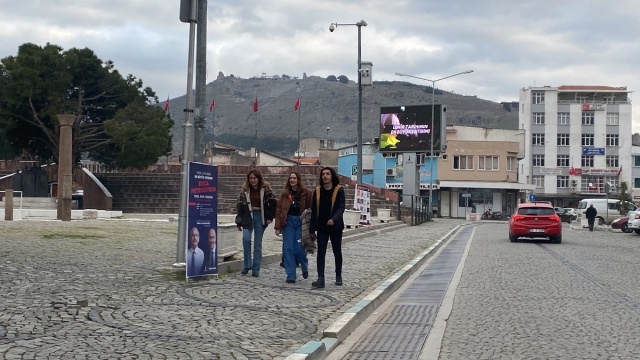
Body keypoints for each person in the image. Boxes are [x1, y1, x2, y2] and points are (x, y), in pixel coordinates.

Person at [235, 169, 276, 277]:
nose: (253, 180)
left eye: (255, 178)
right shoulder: (245, 190)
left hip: (260, 216)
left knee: (257, 244)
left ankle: (256, 268)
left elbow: (273, 203)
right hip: (248, 217)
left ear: (259, 178)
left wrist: (270, 217)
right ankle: (247, 265)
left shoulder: (265, 189)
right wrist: (239, 222)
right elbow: (240, 206)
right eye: (251, 178)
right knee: (246, 239)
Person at [309, 167, 345, 288]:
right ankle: (321, 278)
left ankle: (338, 275)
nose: (325, 176)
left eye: (328, 174)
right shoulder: (317, 191)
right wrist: (312, 229)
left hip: (335, 226)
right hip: (322, 226)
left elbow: (341, 208)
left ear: (332, 176)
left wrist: (334, 219)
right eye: (323, 174)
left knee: (337, 251)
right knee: (321, 252)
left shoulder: (339, 190)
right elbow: (314, 211)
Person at [274, 171, 312, 283]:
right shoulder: (285, 194)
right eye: (290, 178)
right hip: (288, 222)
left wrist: (312, 227)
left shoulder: (306, 193)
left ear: (298, 179)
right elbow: (279, 210)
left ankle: (304, 265)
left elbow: (311, 209)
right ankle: (291, 275)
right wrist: (277, 226)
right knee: (288, 248)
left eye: (294, 178)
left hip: (301, 222)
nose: (292, 180)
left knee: (299, 248)